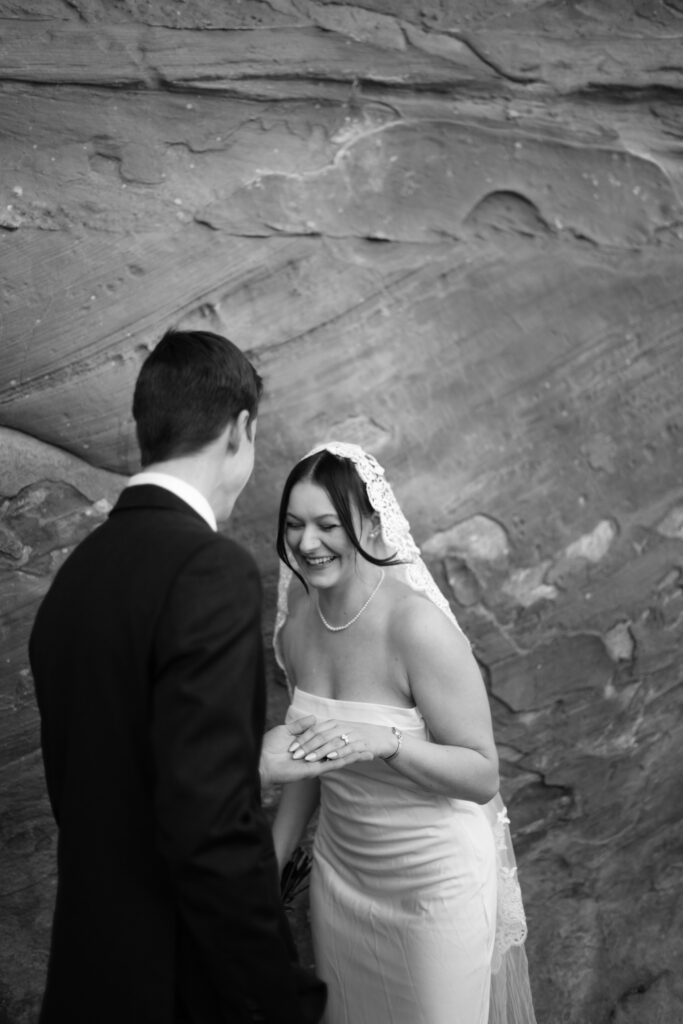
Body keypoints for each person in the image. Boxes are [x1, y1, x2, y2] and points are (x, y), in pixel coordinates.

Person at [28, 330, 363, 1024]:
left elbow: (106, 780)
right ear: (240, 430)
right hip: (180, 980)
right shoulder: (208, 570)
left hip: (91, 971)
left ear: (146, 430)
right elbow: (208, 824)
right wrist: (282, 996)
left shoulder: (76, 581)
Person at [271, 441, 537, 1024]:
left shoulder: (416, 626)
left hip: (434, 886)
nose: (307, 543)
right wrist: (269, 862)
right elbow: (308, 762)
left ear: (370, 521)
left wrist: (388, 743)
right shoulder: (297, 617)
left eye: (326, 525)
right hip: (341, 878)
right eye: (293, 526)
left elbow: (482, 773)